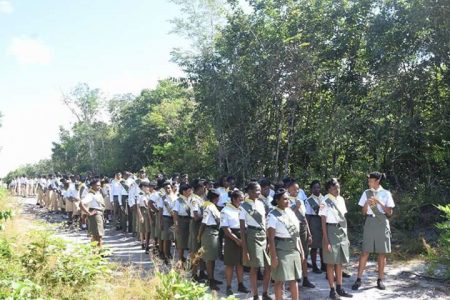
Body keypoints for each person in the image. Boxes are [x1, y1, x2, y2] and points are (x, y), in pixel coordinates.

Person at [352, 172, 395, 291]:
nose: (368, 182)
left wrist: (379, 202)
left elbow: (390, 213)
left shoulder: (386, 193)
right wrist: (367, 202)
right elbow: (363, 212)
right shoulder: (366, 193)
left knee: (382, 253)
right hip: (370, 222)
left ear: (377, 181)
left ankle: (380, 279)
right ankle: (358, 279)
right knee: (365, 251)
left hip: (382, 223)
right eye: (368, 181)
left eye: (370, 180)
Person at [268, 188, 304, 300]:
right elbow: (271, 238)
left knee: (294, 280)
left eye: (288, 199)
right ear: (277, 200)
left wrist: (301, 250)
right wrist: (273, 256)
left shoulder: (290, 212)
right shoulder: (272, 215)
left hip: (294, 248)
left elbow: (296, 234)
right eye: (284, 199)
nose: (287, 201)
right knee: (279, 280)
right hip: (281, 249)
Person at [319, 178, 353, 299]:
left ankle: (339, 287)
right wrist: (326, 239)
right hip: (330, 230)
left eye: (338, 187)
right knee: (330, 262)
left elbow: (343, 218)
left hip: (341, 231)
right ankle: (332, 290)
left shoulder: (341, 199)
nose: (337, 190)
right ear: (329, 189)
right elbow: (323, 221)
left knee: (340, 261)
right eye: (334, 188)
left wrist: (346, 236)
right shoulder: (325, 200)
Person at [240, 182, 272, 300]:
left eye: (259, 190)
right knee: (255, 267)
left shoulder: (261, 204)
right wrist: (245, 249)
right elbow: (242, 229)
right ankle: (255, 295)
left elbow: (265, 221)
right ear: (249, 192)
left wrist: (268, 239)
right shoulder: (244, 206)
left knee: (268, 266)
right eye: (256, 190)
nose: (258, 192)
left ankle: (265, 293)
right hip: (252, 235)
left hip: (263, 234)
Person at [221, 190, 249, 296]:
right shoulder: (225, 210)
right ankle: (228, 286)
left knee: (240, 263)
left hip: (243, 236)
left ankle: (240, 284)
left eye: (243, 199)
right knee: (230, 264)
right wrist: (236, 240)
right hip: (231, 238)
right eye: (240, 199)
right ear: (233, 199)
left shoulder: (242, 209)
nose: (242, 201)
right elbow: (226, 228)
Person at [287, 181, 315, 288]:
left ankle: (305, 278)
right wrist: (296, 208)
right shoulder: (286, 201)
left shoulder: (300, 201)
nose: (296, 191)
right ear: (288, 189)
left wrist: (309, 233)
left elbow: (304, 218)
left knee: (304, 254)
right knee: (294, 255)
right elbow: (287, 217)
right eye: (294, 189)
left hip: (302, 228)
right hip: (292, 230)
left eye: (298, 189)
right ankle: (293, 280)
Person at [198, 189, 222, 291]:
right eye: (218, 197)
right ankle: (210, 280)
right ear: (215, 198)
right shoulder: (209, 207)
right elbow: (204, 222)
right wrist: (199, 236)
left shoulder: (212, 206)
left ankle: (211, 277)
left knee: (212, 258)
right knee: (209, 258)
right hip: (209, 232)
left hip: (214, 232)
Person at [305, 180, 325, 273]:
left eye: (318, 187)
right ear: (311, 189)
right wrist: (308, 228)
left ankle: (323, 264)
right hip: (314, 221)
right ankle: (314, 265)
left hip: (323, 221)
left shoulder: (324, 198)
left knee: (322, 245)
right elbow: (308, 215)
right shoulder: (309, 200)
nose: (316, 189)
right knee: (314, 245)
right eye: (314, 187)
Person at [189, 179, 207, 281]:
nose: (204, 190)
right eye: (203, 188)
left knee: (202, 249)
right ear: (199, 188)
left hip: (201, 224)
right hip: (196, 224)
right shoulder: (194, 199)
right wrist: (205, 215)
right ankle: (194, 274)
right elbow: (196, 216)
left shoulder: (200, 198)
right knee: (196, 249)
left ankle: (202, 272)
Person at [79, 179, 106, 247]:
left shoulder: (97, 193)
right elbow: (81, 204)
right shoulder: (90, 195)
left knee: (98, 235)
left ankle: (96, 251)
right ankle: (99, 252)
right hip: (95, 215)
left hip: (99, 214)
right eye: (97, 185)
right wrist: (88, 213)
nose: (99, 187)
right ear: (92, 186)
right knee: (98, 235)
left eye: (100, 185)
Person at [173, 183, 193, 264]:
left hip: (190, 221)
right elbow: (175, 213)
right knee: (181, 241)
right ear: (184, 192)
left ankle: (189, 260)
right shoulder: (178, 201)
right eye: (189, 190)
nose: (191, 192)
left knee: (190, 240)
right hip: (181, 221)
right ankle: (180, 259)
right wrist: (176, 225)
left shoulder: (190, 200)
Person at [159, 181, 177, 263]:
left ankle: (170, 254)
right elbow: (160, 211)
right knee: (166, 239)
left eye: (169, 188)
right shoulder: (162, 198)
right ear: (164, 189)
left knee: (171, 238)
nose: (168, 189)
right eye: (166, 188)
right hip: (166, 218)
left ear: (171, 188)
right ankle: (166, 256)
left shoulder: (176, 197)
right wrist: (161, 222)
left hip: (174, 219)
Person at [137, 181, 152, 254]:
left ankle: (146, 243)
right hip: (143, 211)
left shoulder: (149, 194)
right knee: (144, 229)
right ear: (143, 187)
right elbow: (138, 206)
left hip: (148, 211)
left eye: (148, 187)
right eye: (146, 187)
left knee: (147, 229)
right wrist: (140, 216)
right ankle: (144, 244)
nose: (148, 188)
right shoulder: (140, 194)